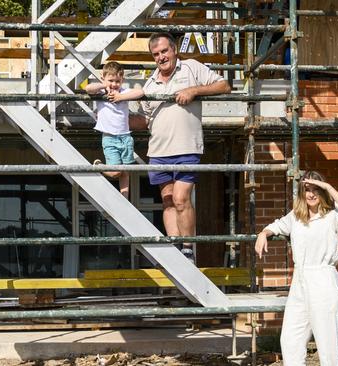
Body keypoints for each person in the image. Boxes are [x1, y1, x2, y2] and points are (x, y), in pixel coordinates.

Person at [132, 32, 231, 263]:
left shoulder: (191, 68)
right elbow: (145, 121)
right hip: (158, 150)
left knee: (180, 199)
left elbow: (224, 85)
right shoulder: (150, 83)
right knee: (167, 200)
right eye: (155, 54)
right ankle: (175, 249)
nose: (161, 57)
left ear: (174, 49)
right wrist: (113, 118)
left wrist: (194, 90)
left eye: (164, 51)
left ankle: (188, 249)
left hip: (186, 147)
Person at [254, 171, 338, 366]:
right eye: (307, 190)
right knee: (290, 340)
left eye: (316, 189)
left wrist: (327, 186)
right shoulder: (296, 217)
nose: (311, 194)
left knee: (328, 343)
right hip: (299, 281)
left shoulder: (333, 218)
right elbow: (277, 225)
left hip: (323, 280)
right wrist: (263, 233)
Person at [85, 61, 144, 199]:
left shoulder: (123, 92)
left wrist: (121, 97)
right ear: (103, 79)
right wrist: (103, 85)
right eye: (110, 80)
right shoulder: (100, 92)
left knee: (125, 170)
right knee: (115, 172)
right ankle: (99, 166)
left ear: (122, 80)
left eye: (117, 81)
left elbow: (140, 92)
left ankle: (124, 197)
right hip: (110, 138)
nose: (114, 84)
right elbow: (88, 88)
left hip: (125, 137)